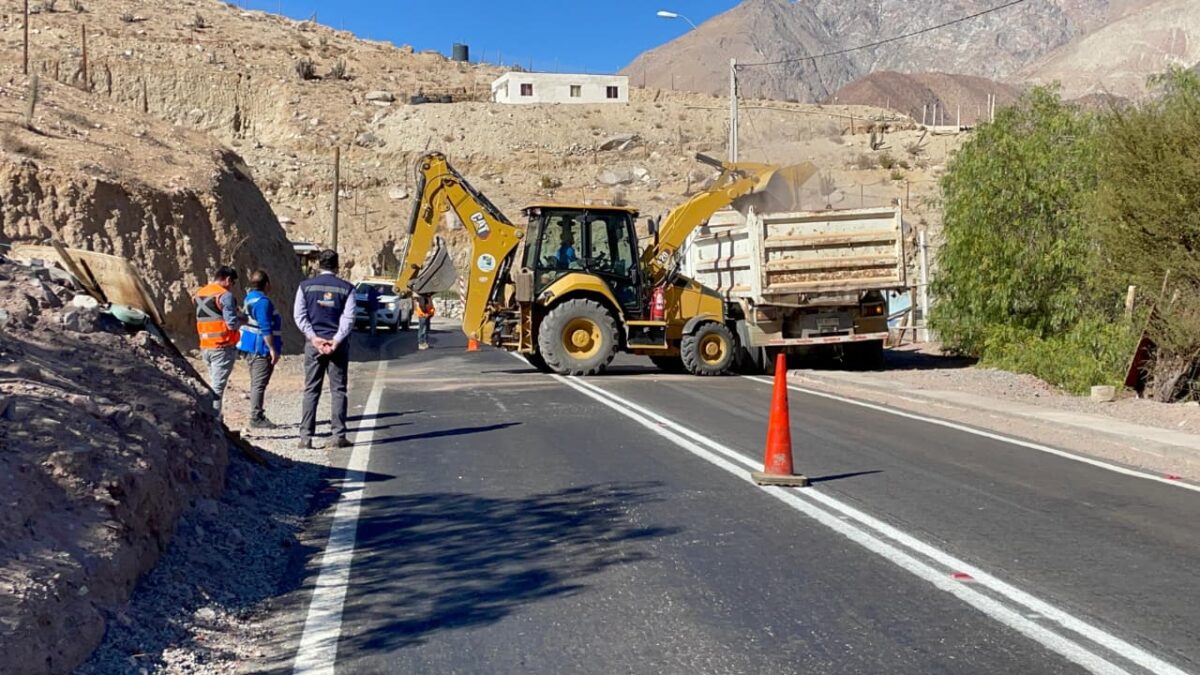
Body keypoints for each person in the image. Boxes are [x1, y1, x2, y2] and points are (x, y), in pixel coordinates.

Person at [294, 249, 356, 450]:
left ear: (318, 265)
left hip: (314, 346)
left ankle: (306, 437)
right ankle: (339, 435)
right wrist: (336, 340)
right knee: (338, 389)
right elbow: (348, 318)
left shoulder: (305, 287)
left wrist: (314, 338)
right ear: (337, 266)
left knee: (311, 389)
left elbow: (300, 316)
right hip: (338, 346)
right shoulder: (347, 288)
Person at [237, 270, 283, 429]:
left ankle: (257, 414)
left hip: (249, 345)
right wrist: (272, 349)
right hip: (260, 347)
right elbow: (265, 327)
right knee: (259, 383)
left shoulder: (249, 298)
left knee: (257, 382)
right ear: (267, 285)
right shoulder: (263, 302)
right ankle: (256, 417)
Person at [193, 266, 240, 419]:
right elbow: (232, 323)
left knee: (213, 384)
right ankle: (214, 422)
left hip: (205, 346)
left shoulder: (200, 293)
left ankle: (211, 418)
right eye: (232, 282)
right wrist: (244, 319)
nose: (231, 286)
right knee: (217, 388)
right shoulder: (224, 295)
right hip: (222, 346)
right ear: (227, 279)